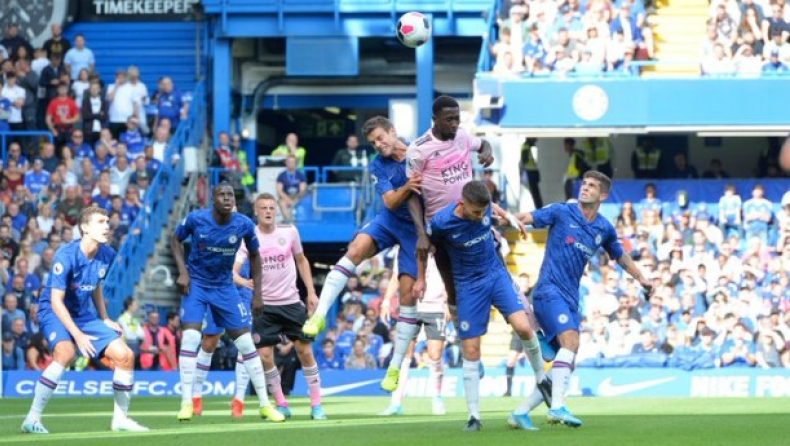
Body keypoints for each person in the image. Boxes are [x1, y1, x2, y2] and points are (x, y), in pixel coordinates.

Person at [514, 171, 653, 427]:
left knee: (568, 362)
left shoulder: (604, 228)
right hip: (548, 290)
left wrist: (642, 278)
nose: (585, 188)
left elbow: (620, 256)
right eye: (584, 184)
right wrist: (501, 219)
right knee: (571, 342)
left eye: (591, 186)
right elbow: (526, 217)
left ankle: (520, 412)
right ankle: (557, 408)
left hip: (570, 298)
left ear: (603, 195)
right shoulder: (561, 211)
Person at [302, 116, 423, 394]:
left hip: (416, 230)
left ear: (393, 131)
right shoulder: (377, 165)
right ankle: (319, 315)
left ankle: (393, 367)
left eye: (381, 138)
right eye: (373, 142)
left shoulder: (419, 152)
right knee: (355, 249)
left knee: (406, 297)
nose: (378, 145)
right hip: (389, 219)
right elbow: (391, 201)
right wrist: (406, 186)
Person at [415, 181, 549, 432]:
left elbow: (493, 207)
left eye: (482, 212)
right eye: (475, 212)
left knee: (523, 326)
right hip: (468, 285)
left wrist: (508, 216)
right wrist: (421, 277)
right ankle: (474, 416)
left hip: (496, 275)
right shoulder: (442, 222)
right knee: (471, 349)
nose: (480, 217)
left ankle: (542, 378)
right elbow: (422, 247)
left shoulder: (485, 208)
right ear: (462, 203)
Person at [21, 207, 148, 434]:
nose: (107, 225)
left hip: (82, 313)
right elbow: (57, 301)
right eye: (100, 221)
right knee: (66, 353)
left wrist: (105, 317)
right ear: (85, 228)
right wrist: (77, 335)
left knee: (125, 356)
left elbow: (96, 283)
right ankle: (32, 418)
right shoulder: (65, 255)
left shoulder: (107, 254)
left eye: (108, 221)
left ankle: (120, 420)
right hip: (53, 309)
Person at [170, 182, 285, 422]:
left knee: (246, 343)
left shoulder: (243, 224)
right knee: (192, 337)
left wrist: (258, 294)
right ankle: (186, 402)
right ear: (213, 199)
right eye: (221, 194)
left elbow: (255, 256)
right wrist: (183, 271)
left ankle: (264, 404)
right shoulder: (196, 219)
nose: (226, 198)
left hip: (225, 287)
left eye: (230, 194)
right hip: (198, 285)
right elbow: (175, 240)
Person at [232, 193, 326, 420]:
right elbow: (233, 270)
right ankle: (281, 403)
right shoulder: (249, 237)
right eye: (263, 208)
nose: (268, 211)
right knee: (264, 356)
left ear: (276, 210)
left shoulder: (289, 232)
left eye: (271, 208)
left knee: (304, 351)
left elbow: (301, 260)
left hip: (292, 303)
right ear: (256, 211)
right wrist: (244, 281)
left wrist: (311, 292)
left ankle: (316, 405)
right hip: (265, 308)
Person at [379, 253, 448, 417]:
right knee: (404, 354)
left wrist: (448, 302)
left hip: (436, 307)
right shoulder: (404, 247)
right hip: (410, 306)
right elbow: (397, 276)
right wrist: (387, 300)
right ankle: (396, 402)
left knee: (435, 355)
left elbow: (450, 275)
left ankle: (437, 397)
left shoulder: (442, 243)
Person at [275, 155, 307, 223]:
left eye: (293, 162)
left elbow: (302, 190)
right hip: (286, 197)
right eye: (289, 162)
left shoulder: (300, 175)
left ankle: (300, 222)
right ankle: (289, 221)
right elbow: (279, 190)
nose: (291, 164)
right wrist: (288, 199)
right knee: (282, 202)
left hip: (297, 197)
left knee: (304, 202)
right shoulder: (281, 175)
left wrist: (296, 199)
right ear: (286, 163)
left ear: (296, 163)